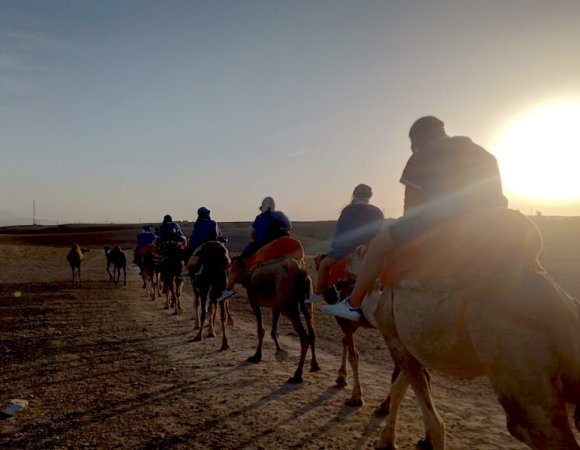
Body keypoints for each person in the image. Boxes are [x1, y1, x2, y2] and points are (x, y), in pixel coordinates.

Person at [321, 116, 508, 321]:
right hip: (490, 221)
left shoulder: (424, 154)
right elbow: (499, 198)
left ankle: (353, 303)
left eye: (412, 141)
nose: (412, 146)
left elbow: (412, 208)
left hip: (441, 219)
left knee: (378, 245)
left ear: (418, 136)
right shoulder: (484, 154)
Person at [306, 184, 384, 303]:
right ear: (370, 196)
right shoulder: (377, 211)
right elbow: (378, 231)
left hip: (346, 249)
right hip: (369, 248)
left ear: (354, 194)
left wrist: (335, 248)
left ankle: (319, 293)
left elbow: (341, 232)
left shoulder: (348, 210)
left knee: (324, 265)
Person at [217, 197, 291, 301]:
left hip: (263, 246)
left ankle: (229, 289)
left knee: (237, 263)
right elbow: (288, 229)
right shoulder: (283, 216)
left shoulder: (260, 218)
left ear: (262, 207)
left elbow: (253, 235)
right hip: (284, 246)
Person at [179, 207, 223, 278]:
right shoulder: (213, 223)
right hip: (214, 242)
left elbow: (196, 236)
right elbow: (218, 233)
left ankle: (186, 269)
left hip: (199, 243)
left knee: (188, 252)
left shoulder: (197, 224)